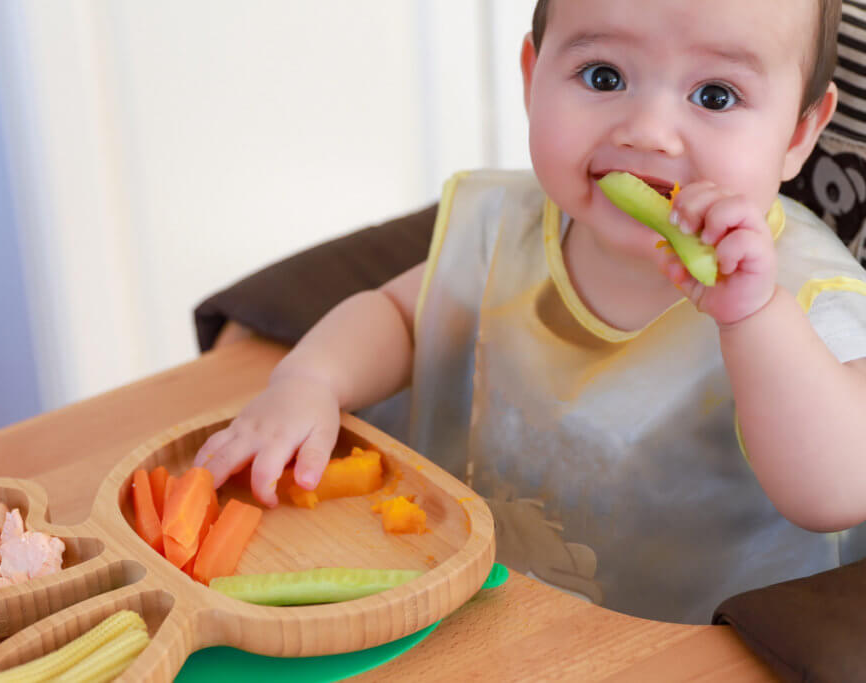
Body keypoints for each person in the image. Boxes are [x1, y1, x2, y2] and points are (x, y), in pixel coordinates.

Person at [195, 0, 866, 623]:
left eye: (715, 95)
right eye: (603, 76)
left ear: (799, 133)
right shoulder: (506, 228)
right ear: (531, 78)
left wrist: (753, 317)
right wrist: (309, 382)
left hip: (668, 649)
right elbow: (399, 317)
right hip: (470, 612)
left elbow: (836, 486)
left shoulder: (806, 293)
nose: (651, 132)